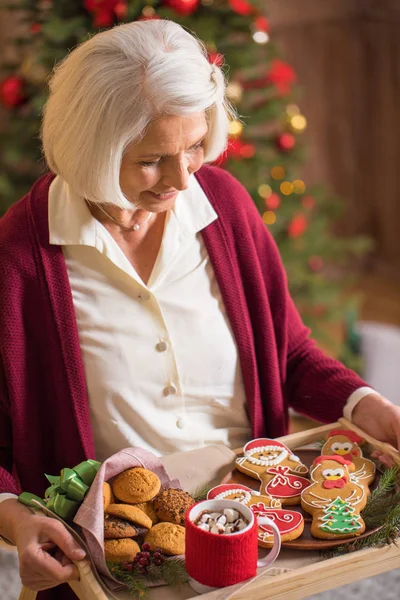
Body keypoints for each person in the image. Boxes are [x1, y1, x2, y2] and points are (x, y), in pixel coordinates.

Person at [0, 19, 399, 600]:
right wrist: (14, 520)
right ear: (91, 148)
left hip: (256, 533)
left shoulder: (225, 208)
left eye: (193, 147)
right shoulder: (18, 259)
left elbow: (286, 351)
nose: (183, 179)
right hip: (124, 561)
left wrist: (365, 403)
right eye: (151, 160)